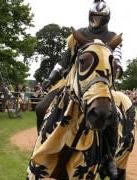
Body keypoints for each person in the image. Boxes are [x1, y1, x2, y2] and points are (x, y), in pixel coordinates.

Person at [37, 0, 122, 178]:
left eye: (101, 18)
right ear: (90, 16)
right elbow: (64, 60)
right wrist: (51, 77)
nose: (97, 21)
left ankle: (108, 158)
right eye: (95, 17)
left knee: (111, 116)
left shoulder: (113, 38)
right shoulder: (78, 35)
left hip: (101, 85)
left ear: (106, 19)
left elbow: (118, 64)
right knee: (41, 108)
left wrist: (115, 70)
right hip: (71, 82)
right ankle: (43, 144)